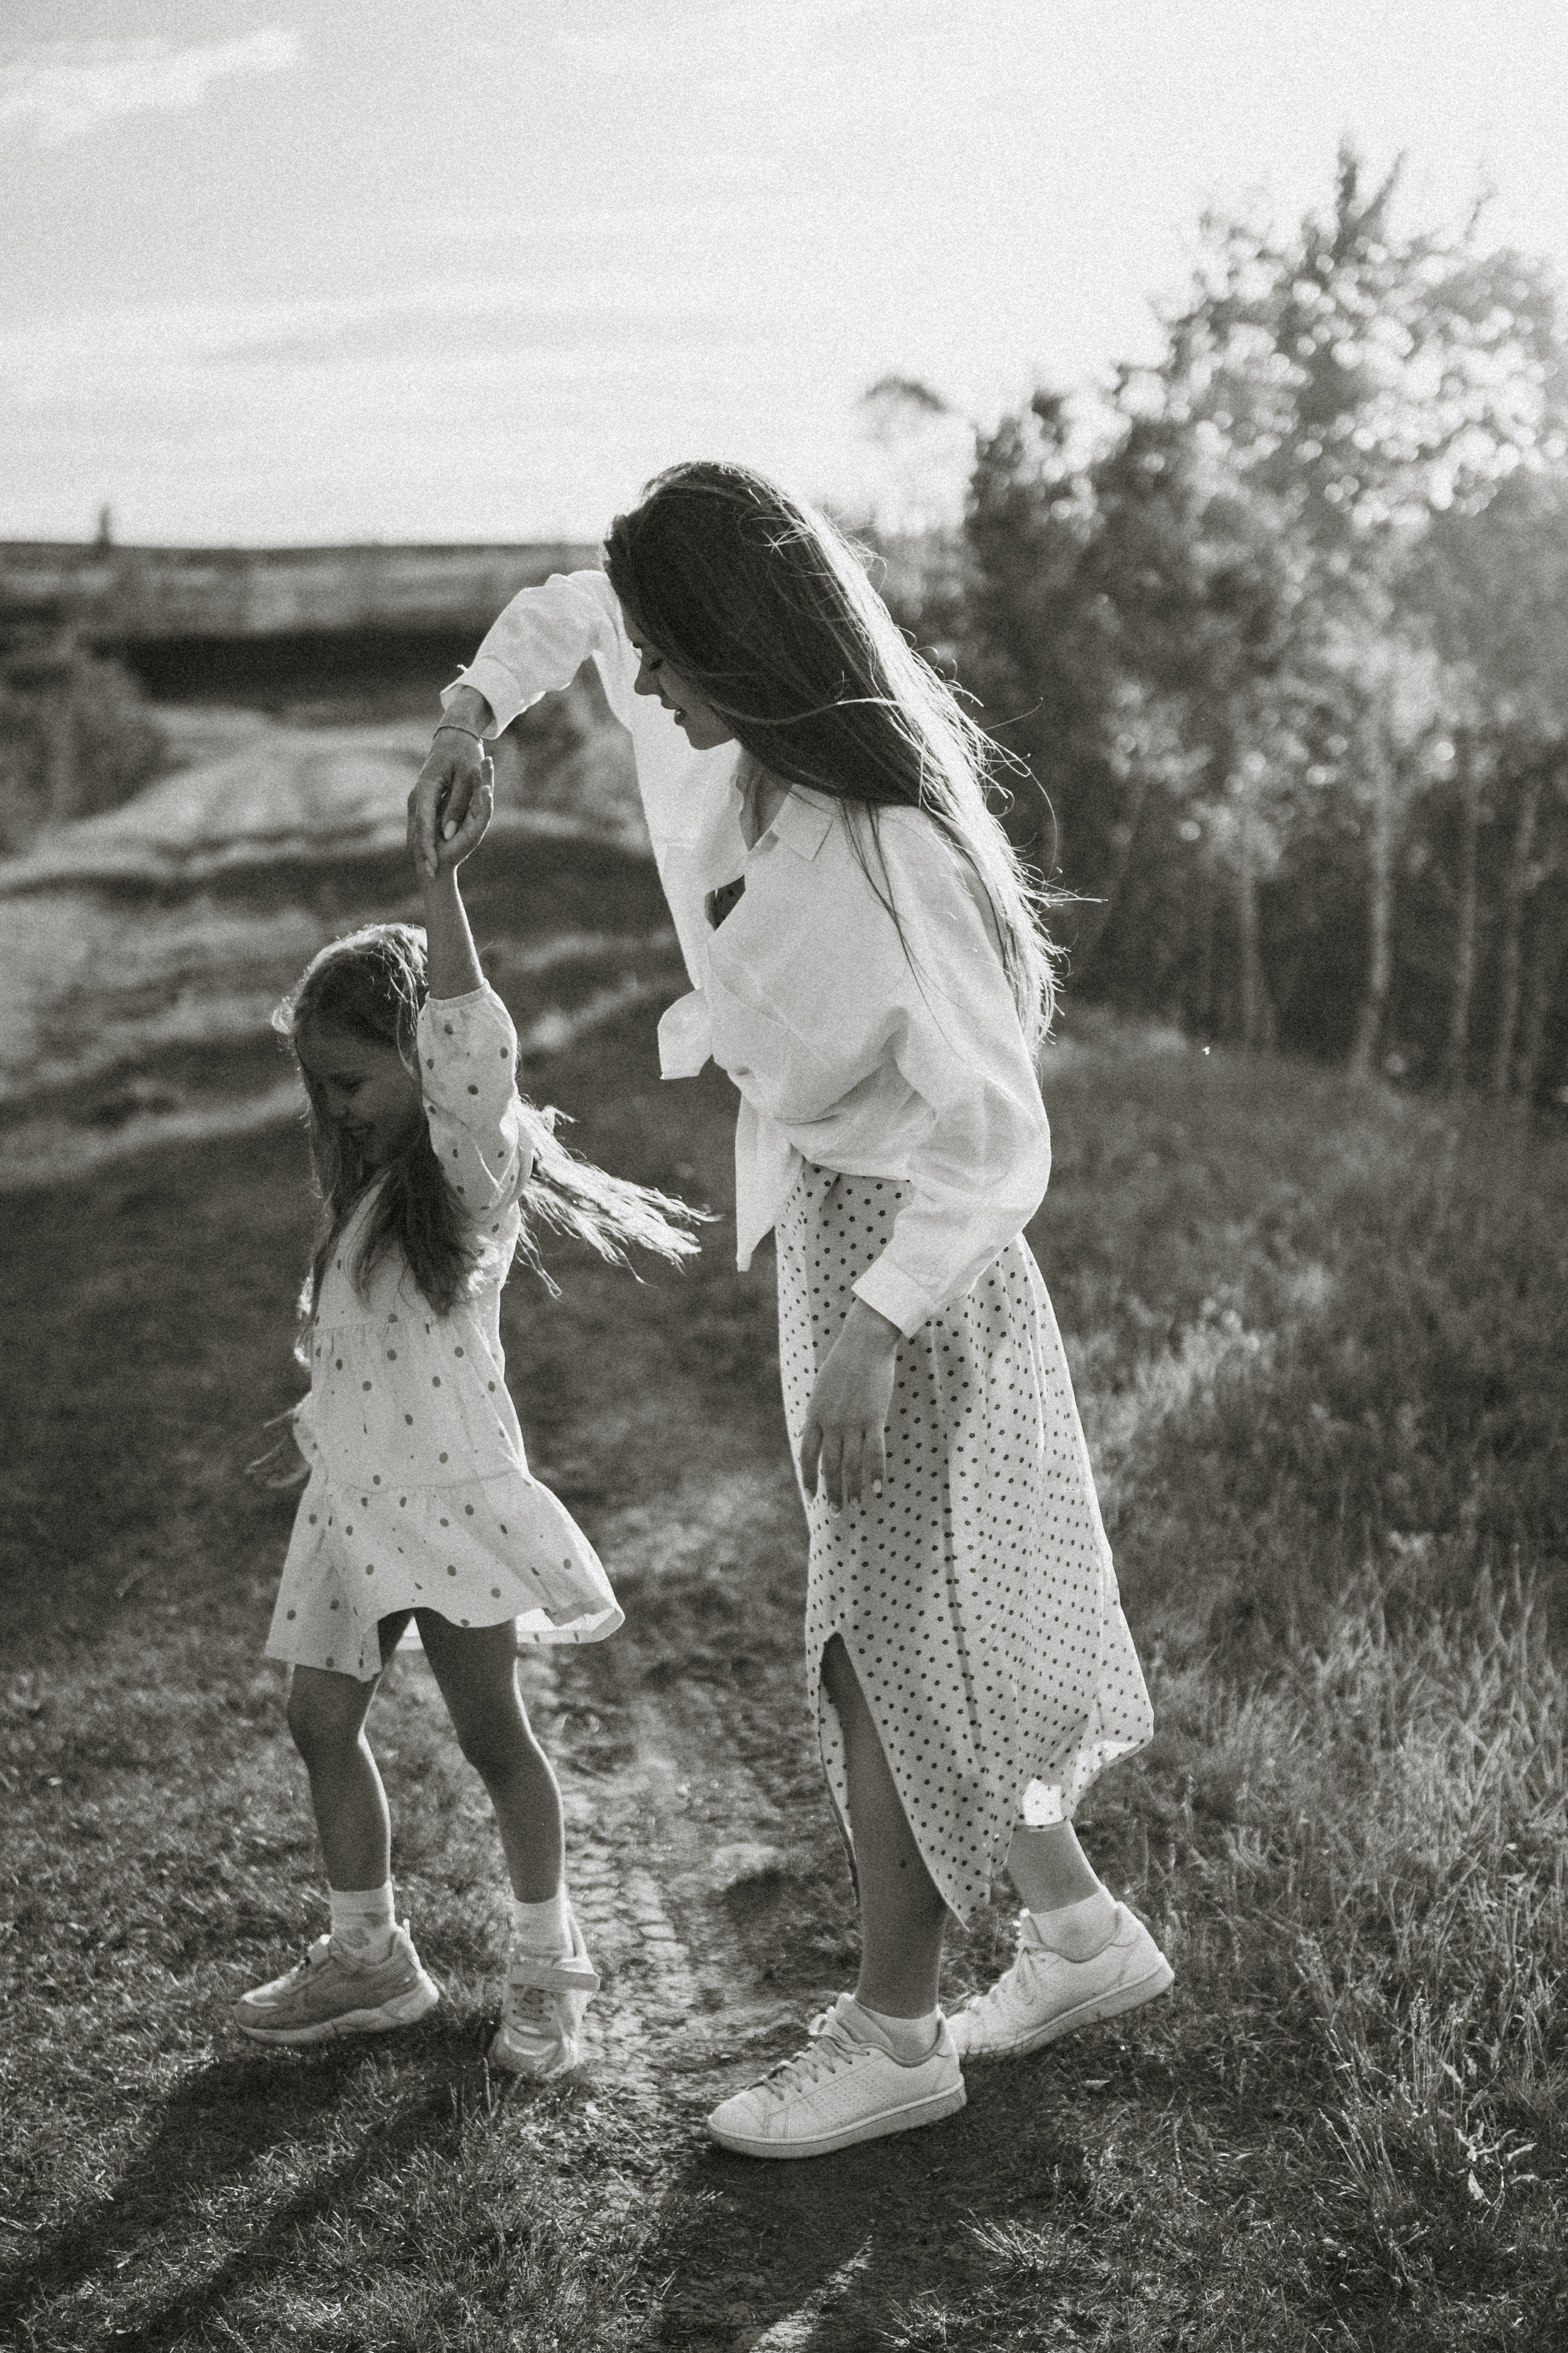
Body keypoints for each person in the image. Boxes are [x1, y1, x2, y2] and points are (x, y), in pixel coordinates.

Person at [410, 461, 1170, 2157]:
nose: (648, 694)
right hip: (840, 1226)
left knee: (870, 1651)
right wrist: (471, 712)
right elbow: (572, 613)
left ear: (739, 647)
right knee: (942, 1634)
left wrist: (881, 1330)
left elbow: (996, 1134)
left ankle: (900, 2030)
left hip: (922, 1267)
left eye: (670, 663)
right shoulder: (723, 727)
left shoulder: (898, 846)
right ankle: (1073, 1931)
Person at [235, 764, 698, 2077]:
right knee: (319, 1718)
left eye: (352, 1078)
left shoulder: (466, 1171)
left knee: (496, 1739)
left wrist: (440, 884)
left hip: (447, 1496)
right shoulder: (370, 1193)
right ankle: (368, 1955)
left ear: (416, 1064)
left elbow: (469, 1046)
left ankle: (551, 1969)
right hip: (351, 1503)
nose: (333, 1106)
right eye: (317, 1085)